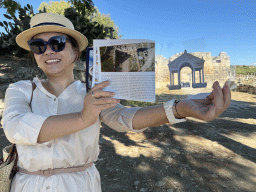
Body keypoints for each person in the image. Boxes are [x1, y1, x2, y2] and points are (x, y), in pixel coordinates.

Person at [1, 13, 231, 192]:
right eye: (38, 46)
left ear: (76, 52)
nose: (48, 51)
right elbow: (16, 127)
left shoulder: (93, 93)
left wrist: (180, 108)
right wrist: (83, 118)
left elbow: (121, 118)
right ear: (34, 55)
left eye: (58, 43)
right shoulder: (20, 89)